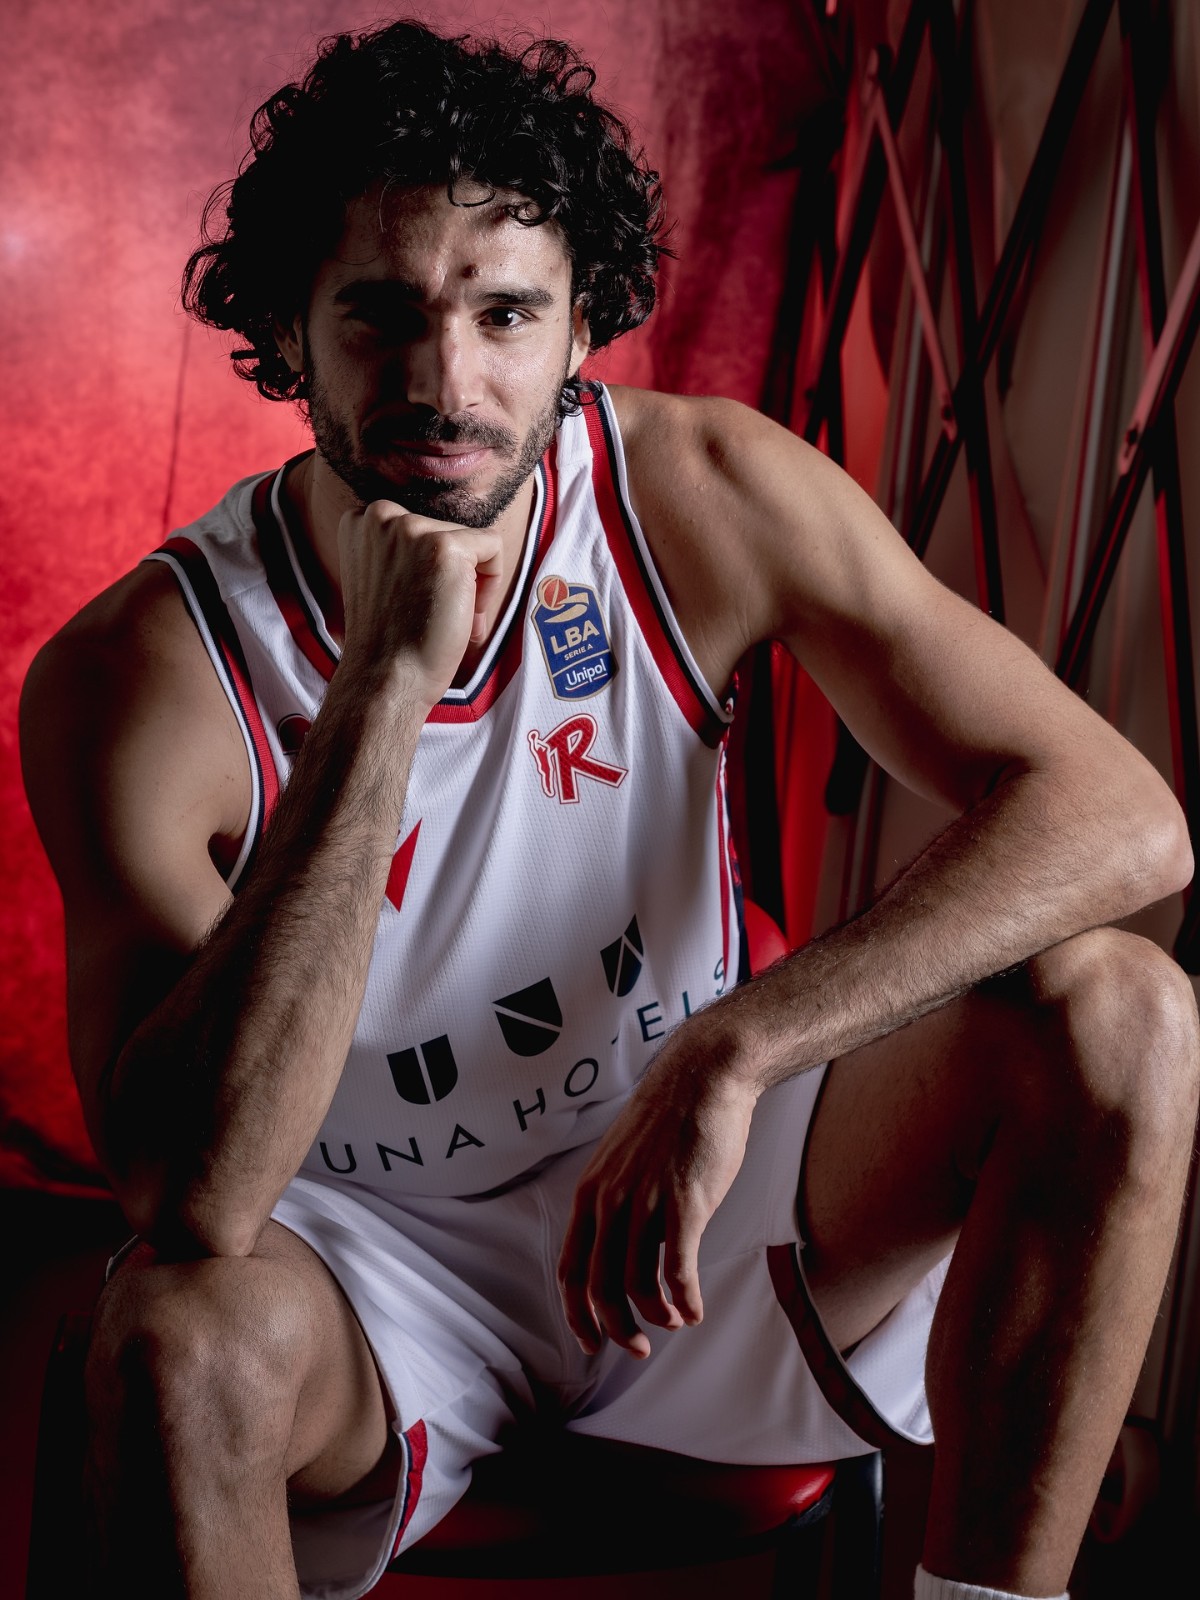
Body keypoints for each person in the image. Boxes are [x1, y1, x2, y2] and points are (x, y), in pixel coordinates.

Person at [19, 19, 1200, 1600]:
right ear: (287, 333)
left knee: (1125, 1011)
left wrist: (738, 1048)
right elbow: (192, 1196)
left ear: (584, 324)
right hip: (372, 1264)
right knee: (173, 1341)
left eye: (506, 313)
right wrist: (381, 688)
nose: (447, 383)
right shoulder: (141, 672)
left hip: (695, 1190)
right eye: (379, 313)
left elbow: (1123, 818)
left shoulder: (699, 491)